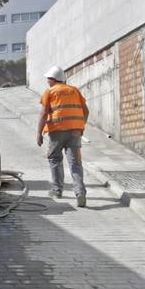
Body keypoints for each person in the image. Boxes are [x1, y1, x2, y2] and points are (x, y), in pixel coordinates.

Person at [36, 66, 89, 207]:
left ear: (53, 80)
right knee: (75, 163)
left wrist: (39, 133)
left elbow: (43, 114)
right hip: (75, 131)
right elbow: (86, 111)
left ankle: (57, 190)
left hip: (57, 131)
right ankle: (80, 192)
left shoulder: (50, 92)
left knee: (54, 158)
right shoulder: (75, 90)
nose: (47, 81)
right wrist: (81, 126)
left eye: (48, 79)